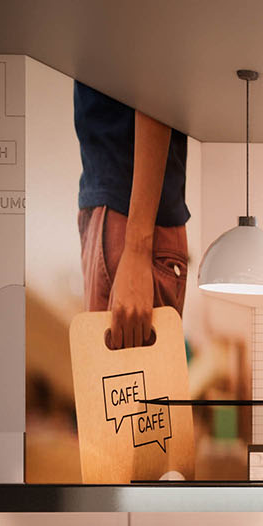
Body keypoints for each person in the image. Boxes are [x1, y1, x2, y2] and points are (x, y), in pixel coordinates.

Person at [74, 82, 191, 351]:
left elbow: (154, 76)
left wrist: (138, 249)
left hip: (129, 220)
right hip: (119, 214)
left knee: (120, 375)